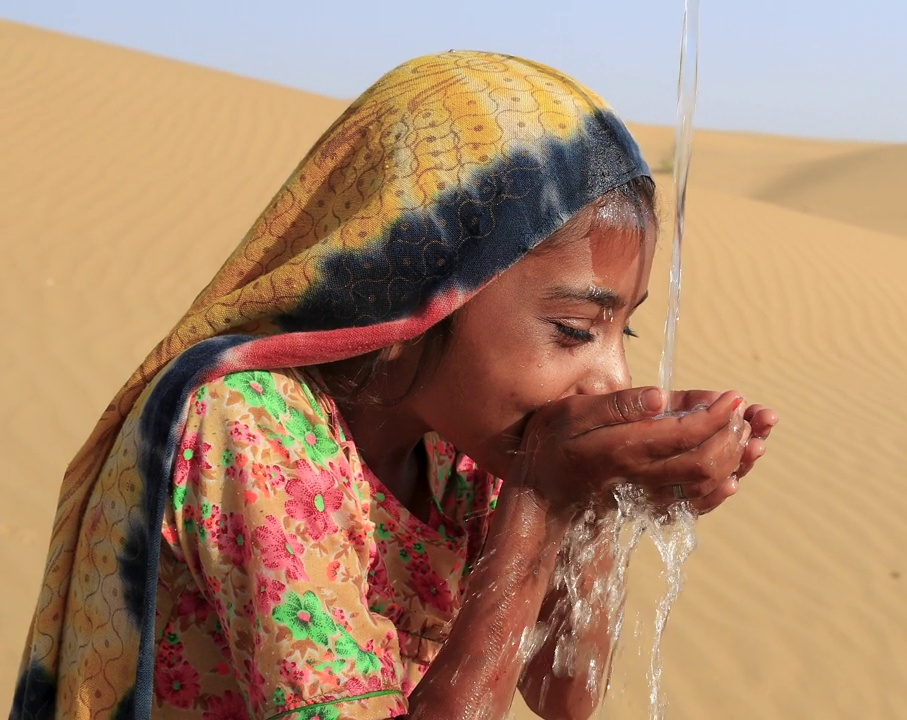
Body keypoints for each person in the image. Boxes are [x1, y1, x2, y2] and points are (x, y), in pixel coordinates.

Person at [11, 51, 777, 720]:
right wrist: (546, 497)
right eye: (576, 330)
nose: (611, 378)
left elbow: (564, 693)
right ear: (422, 288)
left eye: (625, 332)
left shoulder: (462, 448)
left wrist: (603, 490)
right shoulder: (247, 425)